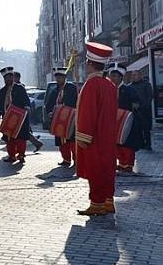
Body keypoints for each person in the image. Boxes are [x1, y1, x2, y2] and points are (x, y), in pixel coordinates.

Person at [75, 42, 118, 216]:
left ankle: (97, 204)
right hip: (108, 135)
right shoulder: (109, 84)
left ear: (90, 63)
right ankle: (108, 201)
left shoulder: (91, 85)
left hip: (95, 136)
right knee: (107, 168)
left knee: (96, 169)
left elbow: (88, 113)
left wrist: (83, 137)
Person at [106, 64, 145, 174]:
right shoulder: (108, 90)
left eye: (114, 76)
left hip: (127, 121)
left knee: (128, 144)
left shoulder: (129, 89)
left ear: (120, 77)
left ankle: (128, 165)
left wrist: (135, 104)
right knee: (116, 144)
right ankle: (121, 163)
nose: (112, 78)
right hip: (113, 122)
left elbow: (137, 101)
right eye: (111, 76)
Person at [0, 67, 31, 164]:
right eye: (6, 78)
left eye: (10, 77)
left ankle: (21, 155)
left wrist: (27, 107)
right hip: (7, 119)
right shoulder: (2, 91)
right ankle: (11, 156)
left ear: (13, 77)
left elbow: (26, 101)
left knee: (20, 138)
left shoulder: (20, 88)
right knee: (9, 139)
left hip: (19, 119)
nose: (8, 80)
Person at [44, 67, 78, 167]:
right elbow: (48, 104)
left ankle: (76, 160)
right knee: (61, 142)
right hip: (58, 120)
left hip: (70, 119)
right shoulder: (54, 90)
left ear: (65, 77)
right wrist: (50, 112)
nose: (58, 79)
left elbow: (76, 102)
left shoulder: (71, 88)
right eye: (57, 77)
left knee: (72, 141)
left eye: (60, 77)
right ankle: (66, 159)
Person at [13, 71, 44, 152]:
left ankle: (36, 143)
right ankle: (36, 143)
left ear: (17, 78)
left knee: (22, 131)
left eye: (13, 77)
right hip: (16, 112)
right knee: (23, 131)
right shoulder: (13, 86)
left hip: (21, 112)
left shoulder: (20, 86)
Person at [130, 70, 154, 150]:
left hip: (145, 111)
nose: (133, 76)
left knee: (146, 129)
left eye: (135, 75)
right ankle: (141, 143)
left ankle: (148, 144)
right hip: (134, 111)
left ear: (140, 75)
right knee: (137, 128)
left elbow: (150, 96)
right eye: (132, 75)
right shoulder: (130, 86)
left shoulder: (146, 84)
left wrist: (144, 106)